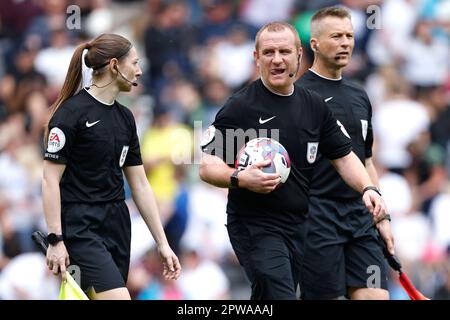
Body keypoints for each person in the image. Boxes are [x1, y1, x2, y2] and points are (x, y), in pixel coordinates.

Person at [199, 21, 388, 300]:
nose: (277, 60)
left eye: (284, 52)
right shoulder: (239, 107)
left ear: (299, 55)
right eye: (268, 52)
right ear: (256, 58)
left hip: (300, 226)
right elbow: (206, 165)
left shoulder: (314, 105)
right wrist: (240, 178)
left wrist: (368, 188)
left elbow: (344, 157)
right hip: (255, 224)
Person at [42, 33, 181, 300]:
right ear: (115, 65)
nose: (140, 71)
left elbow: (140, 185)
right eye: (135, 63)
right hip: (81, 228)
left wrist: (162, 244)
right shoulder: (70, 115)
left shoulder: (126, 118)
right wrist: (55, 240)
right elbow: (49, 180)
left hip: (117, 225)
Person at [296, 7, 394, 300]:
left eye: (349, 36)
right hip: (317, 217)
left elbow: (366, 160)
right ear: (314, 44)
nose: (345, 42)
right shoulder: (298, 95)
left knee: (376, 296)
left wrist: (383, 219)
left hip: (360, 218)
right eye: (336, 36)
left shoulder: (360, 95)